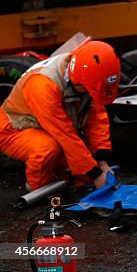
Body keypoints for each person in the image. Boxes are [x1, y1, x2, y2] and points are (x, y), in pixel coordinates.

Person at [0, 39, 120, 192]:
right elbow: (63, 134)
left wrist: (102, 161)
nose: (90, 94)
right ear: (79, 82)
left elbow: (97, 121)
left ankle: (65, 178)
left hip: (49, 127)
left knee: (83, 177)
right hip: (14, 129)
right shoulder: (42, 85)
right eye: (88, 91)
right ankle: (38, 191)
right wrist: (95, 173)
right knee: (46, 149)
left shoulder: (88, 75)